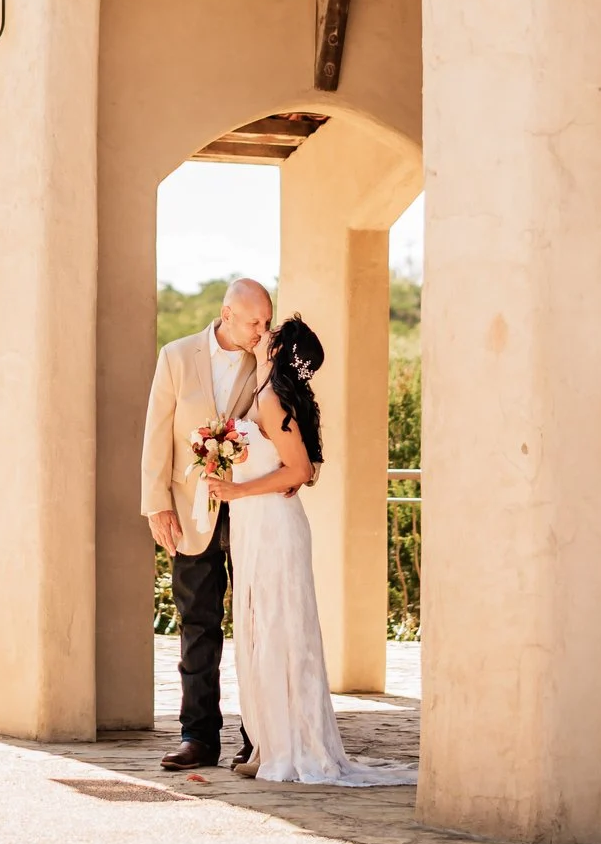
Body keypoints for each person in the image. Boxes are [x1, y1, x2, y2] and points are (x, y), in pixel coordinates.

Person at [206, 315, 416, 786]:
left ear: (280, 353)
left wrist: (237, 490)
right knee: (261, 630)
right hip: (254, 525)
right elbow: (283, 458)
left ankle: (290, 746)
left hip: (274, 528)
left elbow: (299, 470)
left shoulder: (276, 398)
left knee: (281, 631)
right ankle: (269, 743)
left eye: (272, 335)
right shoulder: (265, 390)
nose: (263, 336)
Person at [140, 277, 271, 772]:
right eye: (255, 321)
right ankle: (198, 737)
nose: (262, 330)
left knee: (256, 623)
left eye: (266, 320)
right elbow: (156, 433)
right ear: (226, 313)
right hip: (189, 511)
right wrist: (157, 505)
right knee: (198, 623)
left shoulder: (267, 360)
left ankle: (256, 736)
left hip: (251, 510)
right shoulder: (176, 356)